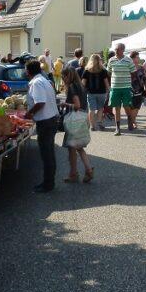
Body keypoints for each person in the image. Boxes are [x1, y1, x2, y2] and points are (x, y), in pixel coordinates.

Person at [25, 58, 60, 192]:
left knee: (46, 153)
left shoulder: (36, 83)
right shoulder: (44, 80)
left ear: (28, 71)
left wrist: (29, 113)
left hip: (45, 121)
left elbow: (40, 103)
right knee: (49, 152)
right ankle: (49, 182)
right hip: (51, 119)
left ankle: (48, 184)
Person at [61, 67, 93, 183]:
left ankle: (74, 174)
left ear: (68, 76)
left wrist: (64, 104)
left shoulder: (71, 87)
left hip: (74, 121)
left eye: (63, 76)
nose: (62, 79)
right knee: (78, 147)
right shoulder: (81, 86)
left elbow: (77, 105)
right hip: (82, 119)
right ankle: (87, 170)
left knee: (72, 147)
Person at [106, 42, 135, 135]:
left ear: (123, 50)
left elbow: (134, 72)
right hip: (115, 87)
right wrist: (110, 85)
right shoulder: (111, 60)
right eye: (115, 49)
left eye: (117, 49)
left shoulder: (128, 60)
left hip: (126, 87)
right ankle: (117, 128)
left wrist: (130, 83)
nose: (116, 51)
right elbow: (108, 73)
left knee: (127, 106)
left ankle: (130, 120)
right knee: (116, 107)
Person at [81, 53, 110, 131]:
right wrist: (108, 90)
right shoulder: (103, 70)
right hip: (102, 92)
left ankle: (92, 126)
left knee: (91, 109)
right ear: (99, 60)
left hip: (90, 92)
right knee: (100, 108)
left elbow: (83, 83)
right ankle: (99, 123)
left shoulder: (87, 70)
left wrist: (82, 92)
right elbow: (106, 82)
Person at [127, 50, 146, 130]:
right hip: (131, 89)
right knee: (132, 107)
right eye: (137, 57)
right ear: (132, 59)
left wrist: (145, 88)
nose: (138, 59)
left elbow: (144, 78)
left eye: (138, 57)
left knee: (137, 107)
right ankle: (132, 122)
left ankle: (133, 121)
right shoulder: (128, 68)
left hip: (140, 89)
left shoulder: (141, 68)